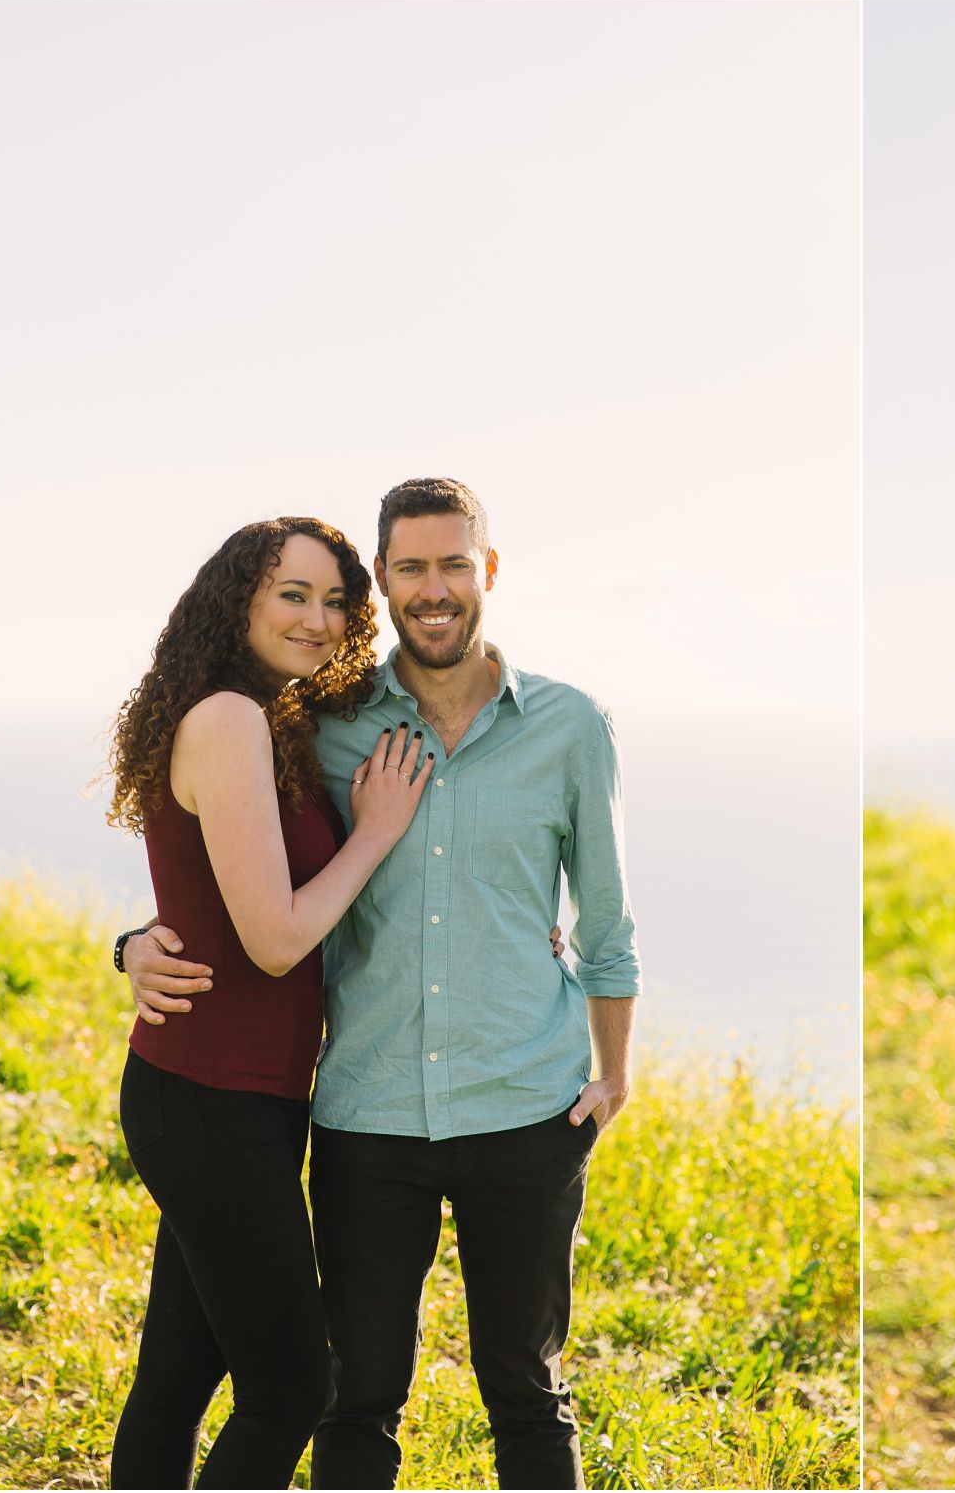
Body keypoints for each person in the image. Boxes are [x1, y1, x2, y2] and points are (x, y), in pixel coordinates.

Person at [123, 477, 639, 1490]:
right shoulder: (315, 725)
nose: (433, 586)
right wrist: (134, 937)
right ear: (389, 584)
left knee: (524, 1392)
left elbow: (609, 921)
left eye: (453, 563)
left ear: (486, 571)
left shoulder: (571, 725)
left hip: (516, 1104)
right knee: (342, 1395)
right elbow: (222, 873)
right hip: (357, 1112)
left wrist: (612, 1074)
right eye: (409, 566)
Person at [104, 516, 433, 1489]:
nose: (319, 617)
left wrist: (128, 940)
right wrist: (373, 830)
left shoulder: (263, 712)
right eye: (293, 592)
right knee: (293, 1384)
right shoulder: (228, 717)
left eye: (335, 599)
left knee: (176, 1372)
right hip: (211, 1101)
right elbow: (276, 937)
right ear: (237, 597)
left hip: (223, 1095)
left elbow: (201, 894)